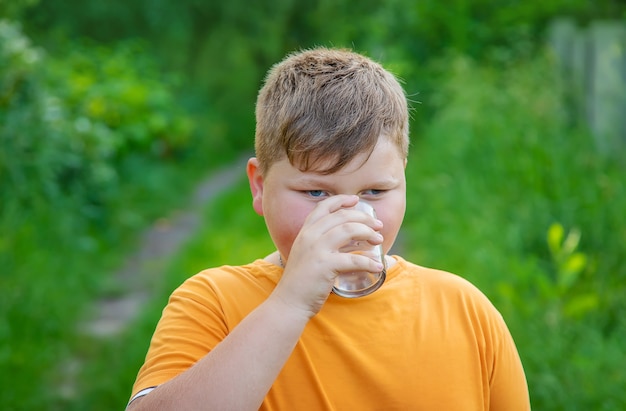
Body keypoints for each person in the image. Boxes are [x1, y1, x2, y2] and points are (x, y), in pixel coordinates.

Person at [126, 47, 530, 410]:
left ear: (403, 180)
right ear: (259, 186)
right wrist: (290, 303)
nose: (349, 216)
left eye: (375, 190)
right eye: (317, 192)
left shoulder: (465, 311)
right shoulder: (213, 302)